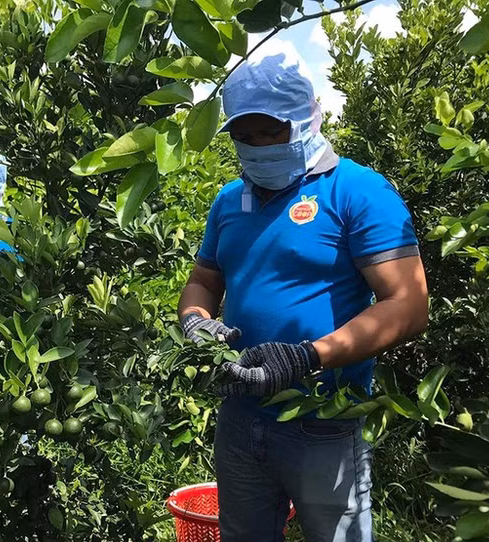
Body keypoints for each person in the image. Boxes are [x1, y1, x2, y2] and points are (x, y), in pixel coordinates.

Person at [177, 44, 429, 542]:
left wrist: (306, 357)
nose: (256, 147)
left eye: (270, 132)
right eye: (244, 136)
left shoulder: (358, 191)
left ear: (306, 120)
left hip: (324, 422)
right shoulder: (229, 200)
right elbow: (204, 279)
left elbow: (408, 305)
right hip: (240, 415)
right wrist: (195, 320)